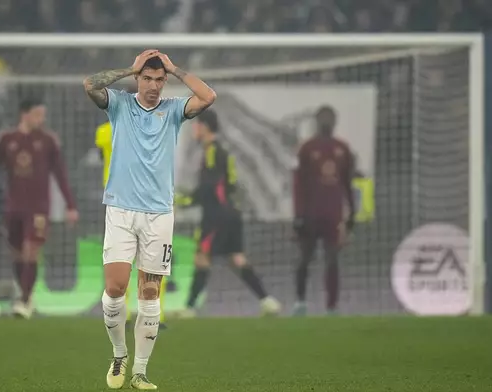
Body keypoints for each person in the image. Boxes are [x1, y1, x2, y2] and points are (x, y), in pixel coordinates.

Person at [83, 49, 216, 390]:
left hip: (158, 214)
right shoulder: (120, 104)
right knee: (114, 288)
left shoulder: (173, 111)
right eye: (147, 78)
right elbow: (89, 84)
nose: (154, 86)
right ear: (137, 79)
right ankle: (119, 354)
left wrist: (175, 68)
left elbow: (208, 96)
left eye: (160, 79)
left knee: (150, 292)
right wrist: (130, 66)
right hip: (121, 209)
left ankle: (140, 371)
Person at [0, 99, 79, 319]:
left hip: (38, 208)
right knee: (17, 253)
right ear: (24, 114)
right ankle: (25, 293)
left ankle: (24, 300)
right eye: (38, 114)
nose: (41, 119)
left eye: (42, 115)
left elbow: (60, 174)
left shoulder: (47, 141)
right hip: (14, 206)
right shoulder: (7, 140)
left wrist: (70, 205)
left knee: (31, 250)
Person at [175, 110, 281, 318]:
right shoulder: (220, 151)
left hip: (217, 215)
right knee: (236, 259)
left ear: (205, 127)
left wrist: (184, 201)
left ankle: (189, 308)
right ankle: (267, 301)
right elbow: (227, 185)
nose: (193, 130)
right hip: (230, 213)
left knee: (202, 258)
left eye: (196, 125)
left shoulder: (212, 151)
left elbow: (210, 187)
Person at [94, 99, 170, 330]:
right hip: (142, 200)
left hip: (118, 201)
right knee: (152, 264)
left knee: (121, 261)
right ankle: (157, 315)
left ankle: (124, 314)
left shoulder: (104, 131)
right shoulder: (149, 130)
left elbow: (101, 156)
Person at [292, 105, 355, 316]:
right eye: (323, 119)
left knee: (332, 260)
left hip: (333, 215)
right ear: (317, 122)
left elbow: (347, 183)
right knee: (304, 259)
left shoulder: (342, 149)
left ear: (334, 123)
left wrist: (352, 213)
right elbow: (298, 183)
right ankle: (300, 303)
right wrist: (298, 214)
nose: (326, 123)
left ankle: (332, 307)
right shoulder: (307, 148)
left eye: (330, 119)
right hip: (310, 215)